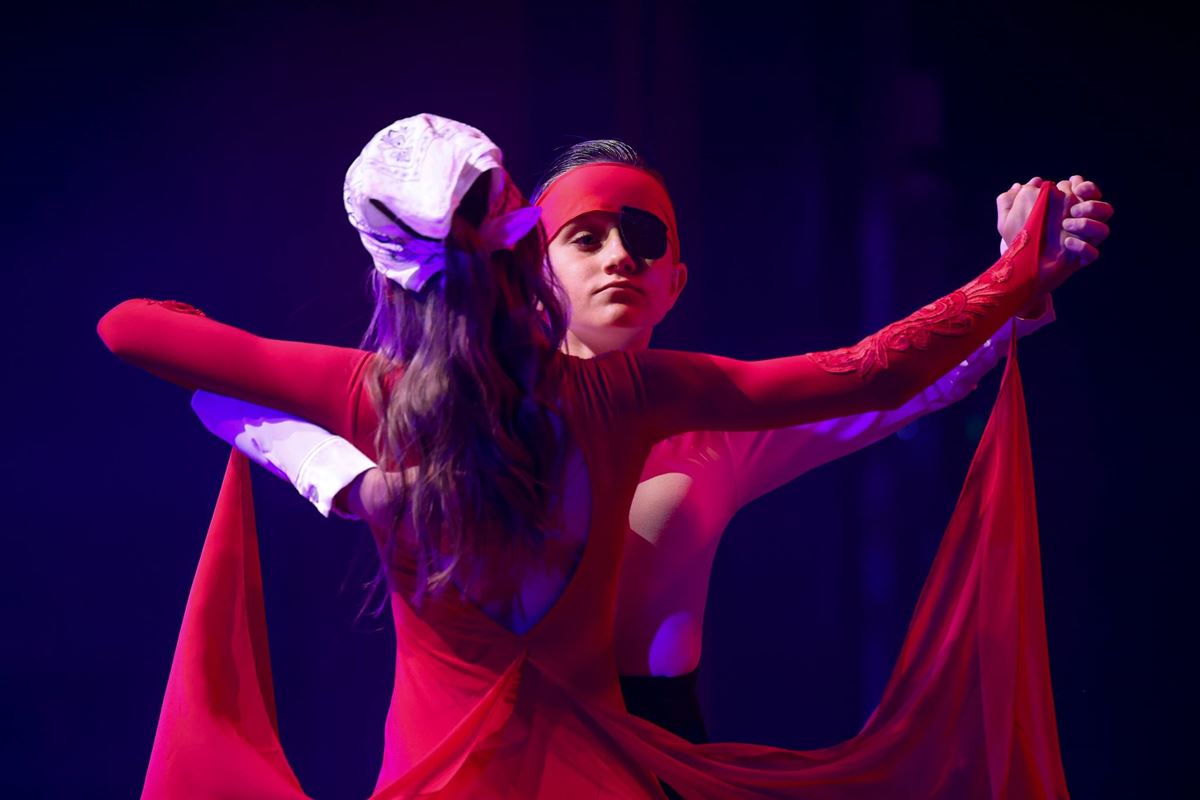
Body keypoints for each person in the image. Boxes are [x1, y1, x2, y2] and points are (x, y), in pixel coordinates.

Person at [98, 113, 1093, 797]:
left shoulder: (404, 396)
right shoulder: (597, 402)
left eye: (644, 238)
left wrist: (1019, 285)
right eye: (586, 234)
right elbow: (870, 374)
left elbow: (891, 384)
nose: (621, 256)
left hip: (624, 763)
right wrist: (346, 480)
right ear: (533, 254)